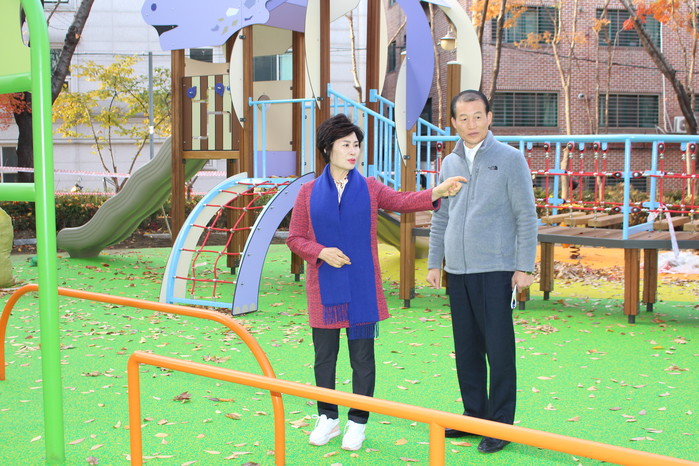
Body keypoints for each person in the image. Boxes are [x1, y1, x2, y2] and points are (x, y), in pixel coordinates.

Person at [287, 113, 465, 451]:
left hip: (362, 287)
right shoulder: (307, 192)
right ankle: (327, 418)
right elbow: (295, 238)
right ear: (327, 148)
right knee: (324, 358)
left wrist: (436, 191)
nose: (353, 151)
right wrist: (321, 252)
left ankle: (358, 423)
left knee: (362, 359)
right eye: (345, 145)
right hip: (323, 286)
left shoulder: (369, 187)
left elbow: (401, 201)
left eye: (356, 145)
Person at [426, 90, 537, 454]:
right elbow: (441, 216)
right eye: (463, 118)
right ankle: (473, 415)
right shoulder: (449, 163)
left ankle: (500, 425)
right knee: (467, 348)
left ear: (489, 117)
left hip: (496, 268)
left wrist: (524, 266)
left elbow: (526, 215)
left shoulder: (509, 158)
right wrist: (435, 262)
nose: (471, 124)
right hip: (458, 270)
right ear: (453, 123)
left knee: (498, 350)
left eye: (478, 116)